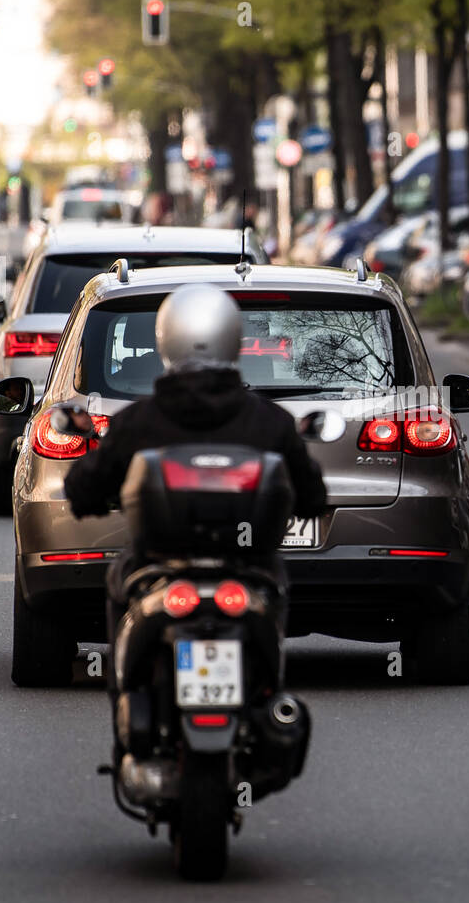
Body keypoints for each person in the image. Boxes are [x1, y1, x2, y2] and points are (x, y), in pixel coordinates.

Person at [63, 285, 328, 692]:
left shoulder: (138, 421)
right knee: (276, 584)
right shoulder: (270, 422)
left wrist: (92, 497)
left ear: (165, 341)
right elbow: (313, 497)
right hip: (248, 567)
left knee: (120, 579)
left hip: (158, 565)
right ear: (233, 340)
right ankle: (267, 687)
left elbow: (83, 490)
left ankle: (125, 693)